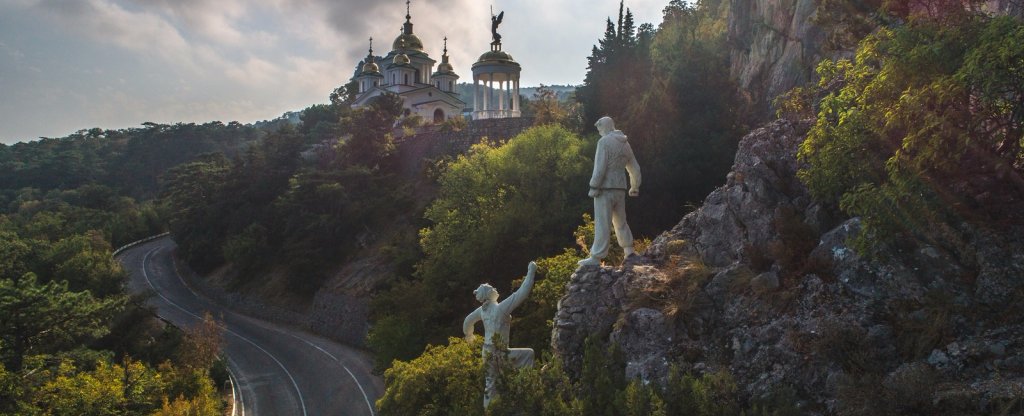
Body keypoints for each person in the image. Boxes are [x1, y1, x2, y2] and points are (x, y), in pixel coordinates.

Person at [463, 261, 537, 407]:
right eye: (491, 288)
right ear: (489, 294)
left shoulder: (482, 311)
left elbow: (467, 322)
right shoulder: (500, 309)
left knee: (491, 385)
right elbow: (522, 293)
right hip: (500, 353)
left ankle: (491, 411)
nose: (495, 288)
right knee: (529, 355)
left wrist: (469, 337)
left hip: (487, 352)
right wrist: (531, 271)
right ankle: (524, 391)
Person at [579, 116, 641, 267]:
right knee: (620, 221)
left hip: (604, 189)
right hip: (620, 188)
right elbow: (635, 168)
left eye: (599, 128)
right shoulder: (625, 144)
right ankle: (629, 249)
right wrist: (635, 186)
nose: (599, 131)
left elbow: (600, 168)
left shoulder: (604, 142)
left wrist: (594, 186)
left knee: (602, 223)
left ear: (604, 126)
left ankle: (596, 257)